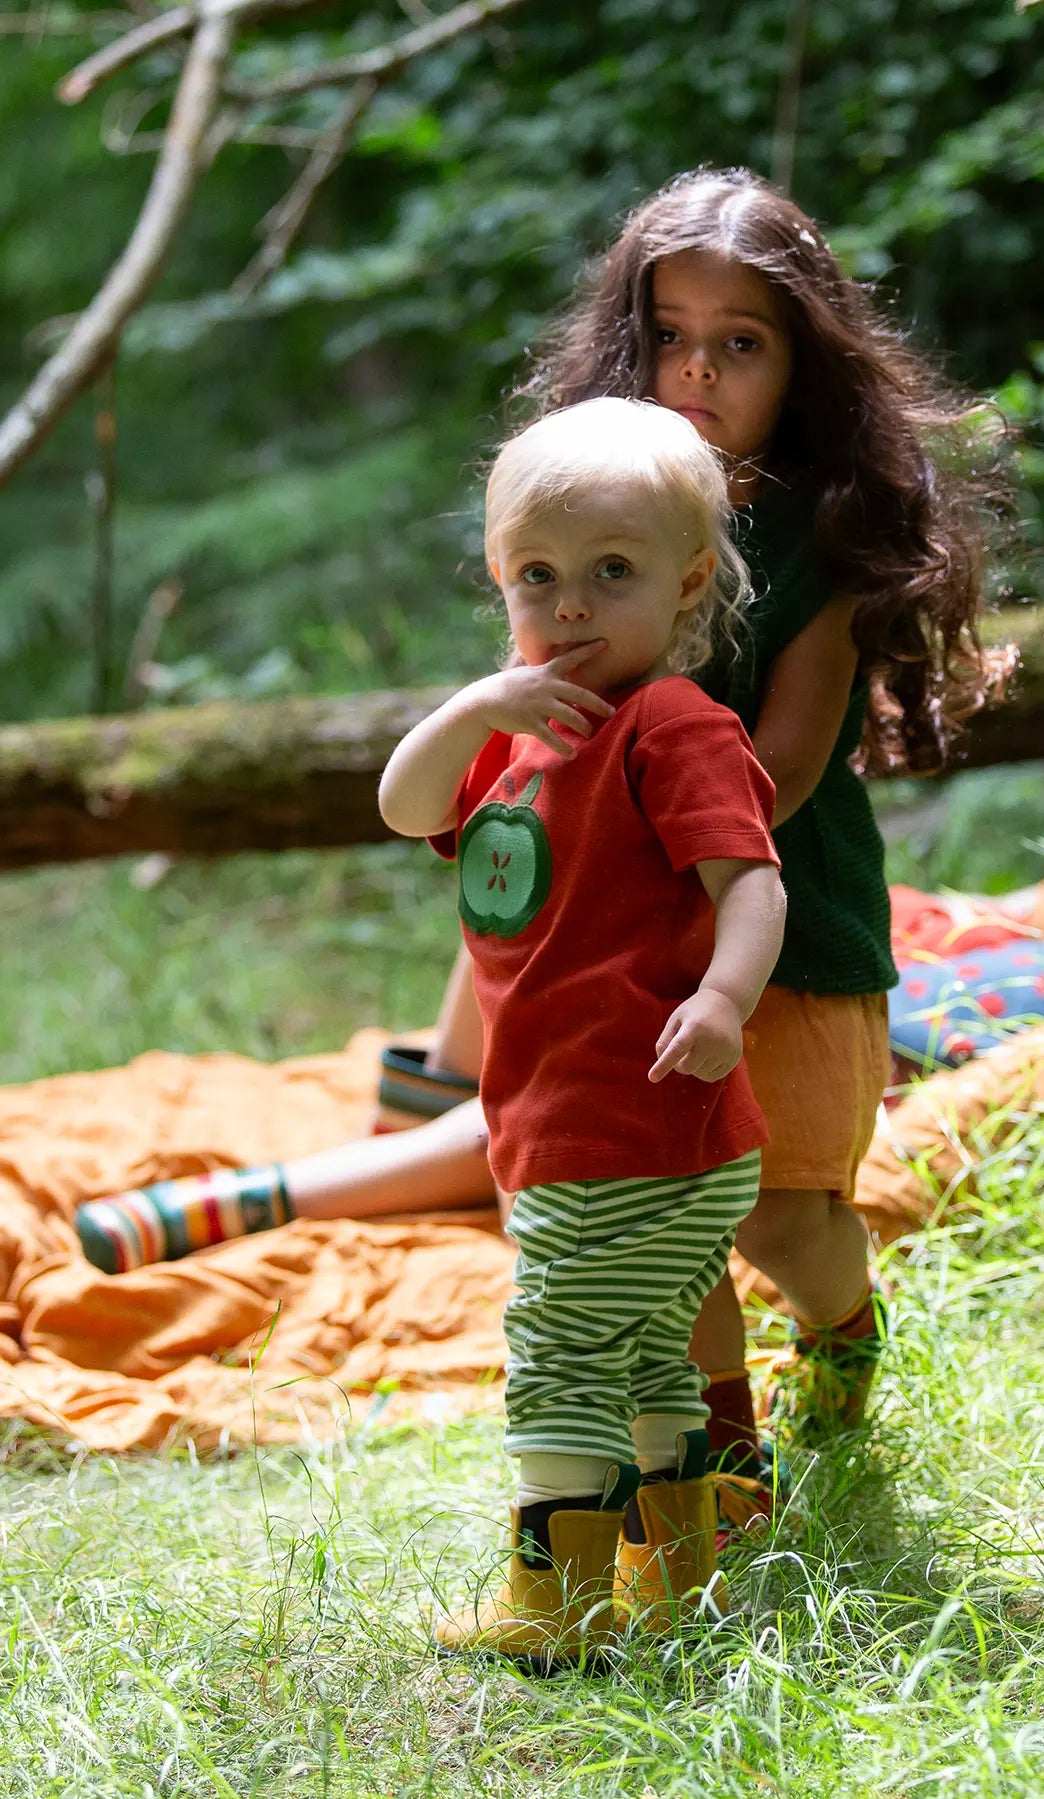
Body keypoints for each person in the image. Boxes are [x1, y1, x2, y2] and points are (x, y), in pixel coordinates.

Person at [75, 166, 1003, 1474]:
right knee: (670, 1230)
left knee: (786, 1218)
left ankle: (844, 1334)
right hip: (620, 944)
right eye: (672, 335)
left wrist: (667, 769)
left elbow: (785, 768)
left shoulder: (827, 538)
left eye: (741, 343)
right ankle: (719, 1479)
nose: (700, 369)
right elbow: (522, 732)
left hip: (781, 924)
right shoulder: (601, 500)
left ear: (806, 360)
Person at [379, 395, 784, 1659]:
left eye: (613, 573)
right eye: (538, 576)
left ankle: (552, 1606)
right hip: (592, 1124)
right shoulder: (523, 736)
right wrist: (473, 709)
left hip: (634, 1123)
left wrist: (722, 996)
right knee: (653, 1353)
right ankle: (675, 1573)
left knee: (558, 1353)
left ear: (687, 582)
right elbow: (403, 804)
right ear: (499, 579)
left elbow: (754, 881)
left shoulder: (671, 725)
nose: (570, 607)